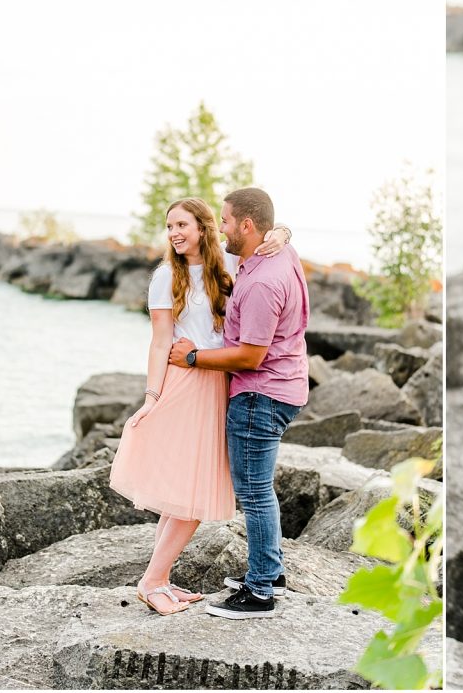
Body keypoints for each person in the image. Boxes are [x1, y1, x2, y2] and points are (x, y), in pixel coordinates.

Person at [109, 197, 289, 615]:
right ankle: (151, 581)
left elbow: (267, 236)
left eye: (182, 225)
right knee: (189, 494)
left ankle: (161, 577)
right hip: (185, 385)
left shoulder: (227, 263)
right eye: (169, 226)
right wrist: (151, 397)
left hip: (218, 381)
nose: (173, 233)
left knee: (183, 494)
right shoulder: (163, 277)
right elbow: (159, 342)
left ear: (204, 228)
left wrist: (283, 234)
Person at [169, 186, 309, 620]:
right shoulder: (277, 253)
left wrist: (193, 358)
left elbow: (251, 355)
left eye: (226, 220)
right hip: (280, 388)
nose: (221, 226)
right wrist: (283, 231)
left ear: (248, 226)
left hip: (259, 394)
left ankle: (261, 591)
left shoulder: (265, 280)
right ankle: (271, 569)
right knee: (259, 488)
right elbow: (278, 233)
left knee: (253, 492)